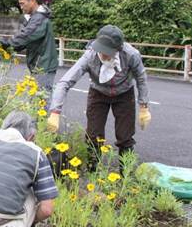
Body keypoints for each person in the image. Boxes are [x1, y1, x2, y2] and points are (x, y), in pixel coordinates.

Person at [46, 25, 151, 161]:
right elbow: (64, 82)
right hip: (98, 93)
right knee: (93, 135)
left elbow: (141, 78)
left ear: (117, 50)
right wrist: (55, 112)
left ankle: (126, 173)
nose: (102, 54)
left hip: (124, 93)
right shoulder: (90, 56)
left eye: (107, 52)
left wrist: (144, 107)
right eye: (100, 50)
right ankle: (93, 170)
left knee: (125, 136)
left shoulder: (131, 55)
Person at [1, 0, 57, 91]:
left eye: (22, 3)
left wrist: (9, 44)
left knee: (41, 101)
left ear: (32, 1)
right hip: (39, 65)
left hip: (43, 65)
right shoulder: (33, 18)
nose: (21, 7)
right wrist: (10, 47)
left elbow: (26, 35)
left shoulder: (39, 19)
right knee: (38, 100)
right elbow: (25, 39)